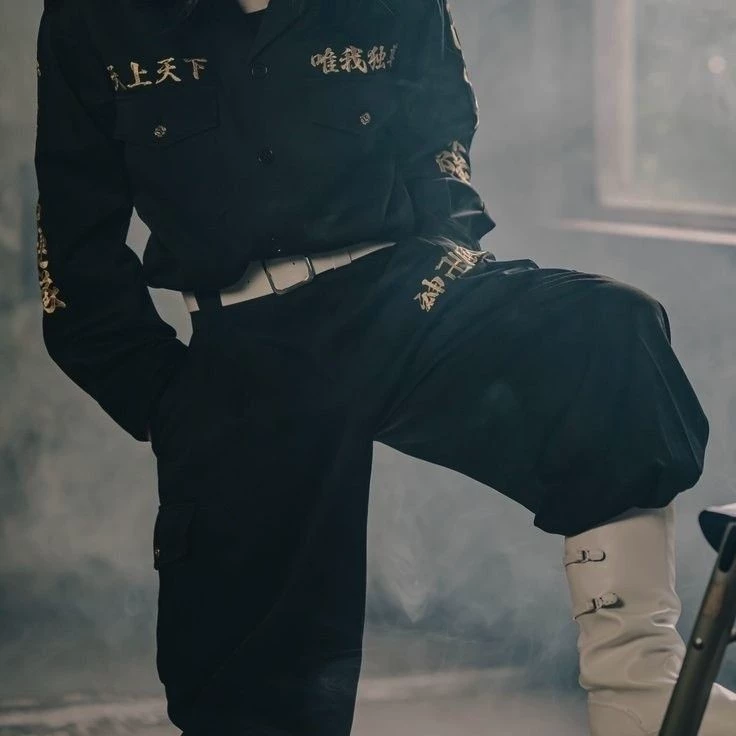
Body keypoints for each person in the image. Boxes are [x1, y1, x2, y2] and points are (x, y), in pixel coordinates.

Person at [34, 0, 736, 733]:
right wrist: (167, 402)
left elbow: (441, 123)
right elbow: (74, 233)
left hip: (402, 288)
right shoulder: (94, 17)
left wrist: (446, 248)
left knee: (603, 328)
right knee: (255, 685)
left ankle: (638, 685)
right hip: (245, 339)